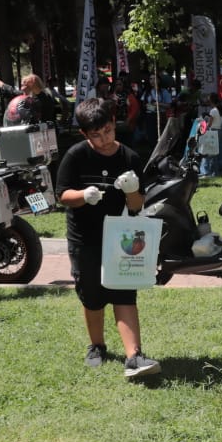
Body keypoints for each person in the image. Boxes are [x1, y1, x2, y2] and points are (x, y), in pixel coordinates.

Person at [55, 97, 160, 379]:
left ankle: (134, 356)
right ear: (84, 134)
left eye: (108, 131)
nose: (103, 140)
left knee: (124, 291)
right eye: (96, 135)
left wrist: (132, 189)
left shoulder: (129, 157)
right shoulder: (76, 155)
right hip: (85, 236)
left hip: (121, 237)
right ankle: (97, 345)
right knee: (92, 295)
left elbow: (137, 205)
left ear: (114, 124)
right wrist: (83, 196)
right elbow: (62, 194)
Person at [197, 92, 222, 178]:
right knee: (215, 152)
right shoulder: (220, 110)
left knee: (208, 152)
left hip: (212, 131)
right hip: (218, 131)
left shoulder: (213, 111)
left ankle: (207, 171)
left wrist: (203, 126)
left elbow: (210, 124)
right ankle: (215, 171)